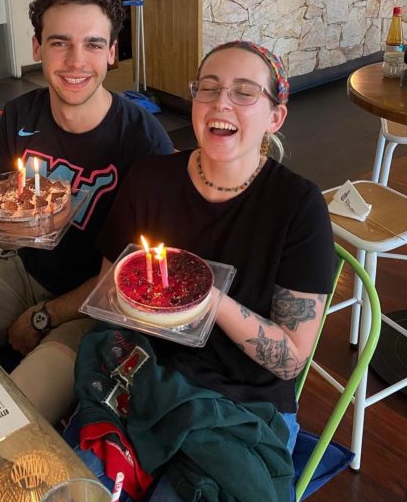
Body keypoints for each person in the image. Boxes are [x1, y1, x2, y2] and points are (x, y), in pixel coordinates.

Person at [72, 41, 334, 500]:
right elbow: (108, 288)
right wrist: (133, 300)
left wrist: (208, 301)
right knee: (71, 484)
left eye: (244, 92)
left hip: (242, 406)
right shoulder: (150, 179)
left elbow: (291, 358)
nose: (220, 103)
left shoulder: (298, 207)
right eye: (208, 88)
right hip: (142, 376)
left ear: (276, 117)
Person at [0, 0, 173, 425]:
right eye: (59, 43)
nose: (75, 61)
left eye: (92, 44)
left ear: (112, 52)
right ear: (37, 47)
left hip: (99, 302)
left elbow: (128, 279)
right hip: (24, 269)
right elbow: (1, 220)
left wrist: (44, 317)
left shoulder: (144, 142)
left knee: (14, 413)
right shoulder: (19, 115)